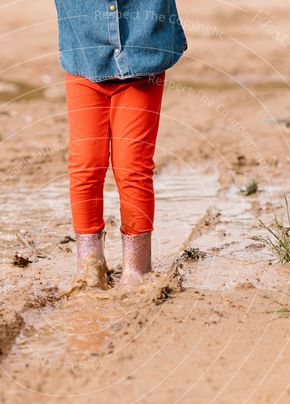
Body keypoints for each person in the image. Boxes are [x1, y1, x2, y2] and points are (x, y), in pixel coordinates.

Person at [54, 1, 187, 290]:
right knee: (86, 163)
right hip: (85, 57)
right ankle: (90, 265)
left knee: (132, 165)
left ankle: (137, 269)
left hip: (142, 58)